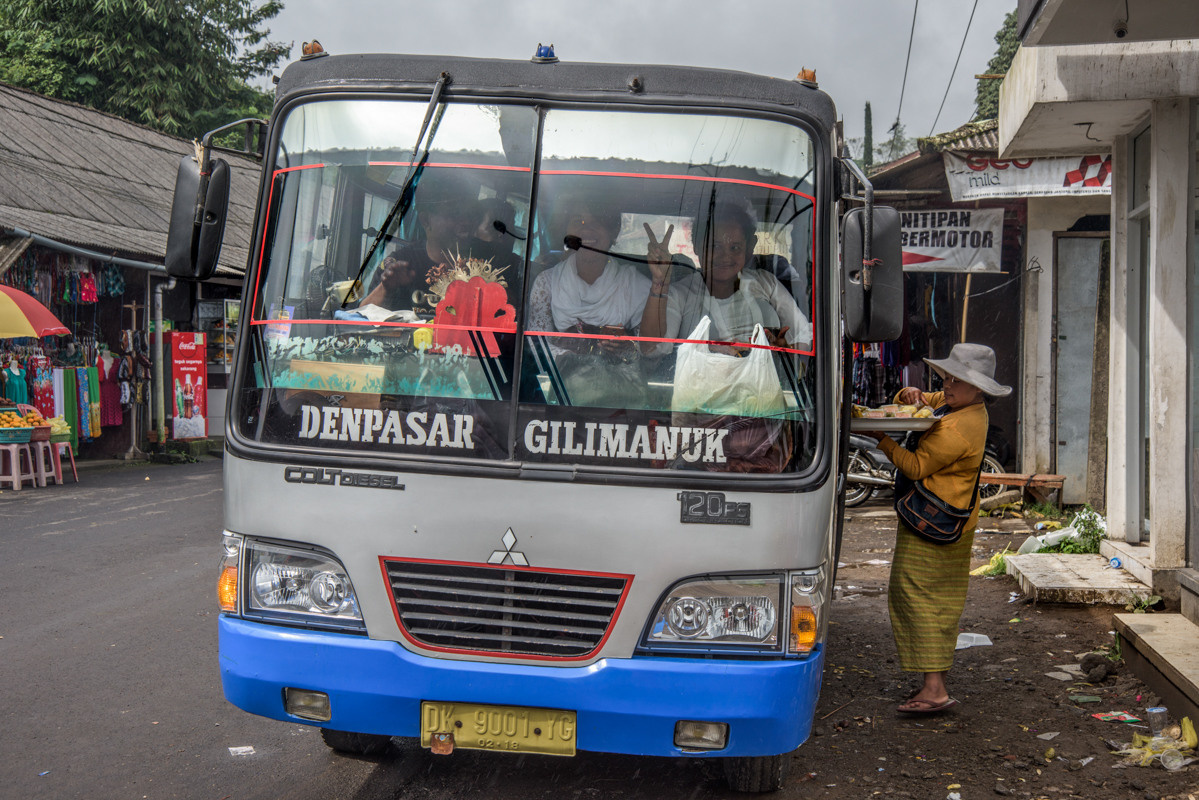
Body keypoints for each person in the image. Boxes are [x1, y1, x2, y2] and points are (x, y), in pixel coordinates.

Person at [859, 343, 1012, 715]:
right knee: (929, 599)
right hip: (940, 518)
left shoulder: (962, 426)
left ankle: (935, 689)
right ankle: (933, 683)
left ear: (979, 390)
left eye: (956, 380)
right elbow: (916, 399)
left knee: (919, 598)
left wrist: (879, 437)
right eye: (946, 377)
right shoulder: (956, 402)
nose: (947, 385)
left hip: (935, 522)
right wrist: (906, 393)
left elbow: (914, 467)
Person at [639, 202, 812, 355]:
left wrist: (786, 350)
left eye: (735, 247)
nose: (725, 257)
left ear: (748, 249)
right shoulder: (679, 294)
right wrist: (659, 283)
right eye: (715, 246)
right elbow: (652, 349)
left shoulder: (767, 283)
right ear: (698, 246)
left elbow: (804, 336)